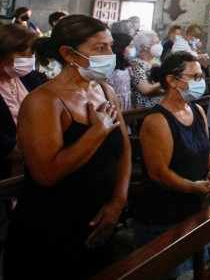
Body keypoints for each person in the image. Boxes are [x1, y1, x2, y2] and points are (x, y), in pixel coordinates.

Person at [4, 15, 130, 279]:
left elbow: (124, 151)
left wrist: (117, 204)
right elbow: (46, 174)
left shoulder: (105, 91)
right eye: (100, 48)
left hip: (100, 218)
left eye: (110, 46)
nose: (110, 54)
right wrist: (96, 131)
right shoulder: (43, 101)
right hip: (51, 225)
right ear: (68, 53)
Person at [133, 53, 210, 277]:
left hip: (193, 210)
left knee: (195, 270)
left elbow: (206, 147)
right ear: (172, 80)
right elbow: (159, 173)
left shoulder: (197, 111)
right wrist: (192, 187)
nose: (200, 81)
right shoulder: (158, 120)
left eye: (201, 76)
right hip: (164, 215)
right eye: (195, 76)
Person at [0, 24, 44, 180]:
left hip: (31, 165)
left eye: (31, 54)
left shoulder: (26, 77)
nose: (29, 60)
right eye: (22, 54)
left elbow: (47, 105)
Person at [130, 29, 164, 108]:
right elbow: (145, 90)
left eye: (159, 42)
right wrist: (165, 80)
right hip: (143, 109)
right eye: (156, 42)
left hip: (159, 105)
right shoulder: (136, 64)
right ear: (144, 46)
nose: (159, 45)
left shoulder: (157, 61)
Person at [108, 32, 134, 111]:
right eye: (129, 46)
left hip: (126, 104)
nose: (131, 50)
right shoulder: (109, 68)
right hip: (114, 105)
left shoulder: (126, 66)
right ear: (121, 47)